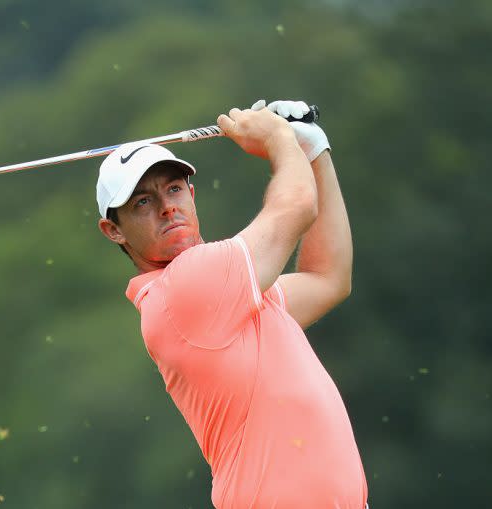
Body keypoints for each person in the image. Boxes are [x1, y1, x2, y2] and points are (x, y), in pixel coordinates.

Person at [96, 99, 368, 509]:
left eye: (173, 188)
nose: (168, 206)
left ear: (192, 193)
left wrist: (314, 154)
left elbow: (327, 278)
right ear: (113, 231)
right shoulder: (187, 286)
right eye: (143, 202)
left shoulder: (231, 296)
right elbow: (296, 207)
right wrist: (279, 139)